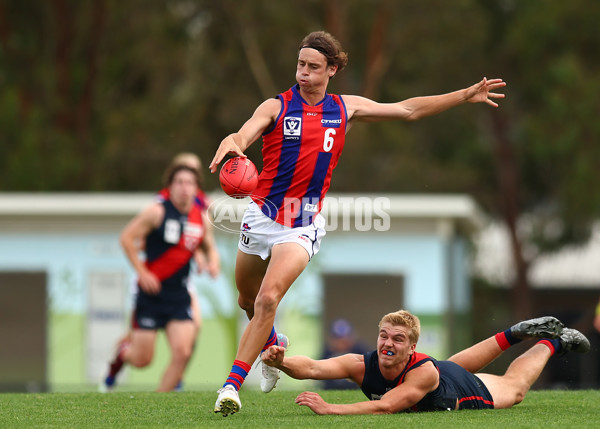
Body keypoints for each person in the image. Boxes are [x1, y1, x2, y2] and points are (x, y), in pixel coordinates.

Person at [208, 30, 507, 416]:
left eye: (314, 67)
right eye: (300, 65)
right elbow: (243, 133)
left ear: (332, 70)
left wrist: (464, 95)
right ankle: (271, 344)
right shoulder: (275, 107)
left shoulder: (345, 108)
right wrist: (231, 144)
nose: (304, 74)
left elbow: (407, 110)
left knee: (267, 299)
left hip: (301, 226)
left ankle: (231, 388)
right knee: (247, 300)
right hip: (261, 216)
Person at [261, 311, 590, 414]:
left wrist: (330, 407)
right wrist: (282, 360)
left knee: (515, 389)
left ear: (412, 346)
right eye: (384, 336)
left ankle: (555, 342)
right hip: (441, 369)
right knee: (448, 363)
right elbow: (315, 368)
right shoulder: (361, 363)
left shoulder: (423, 371)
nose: (388, 343)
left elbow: (386, 406)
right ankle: (513, 334)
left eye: (398, 339)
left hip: (455, 389)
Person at [101, 164, 215, 392]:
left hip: (179, 297)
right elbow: (126, 238)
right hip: (151, 296)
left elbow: (205, 245)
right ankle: (122, 355)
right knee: (143, 360)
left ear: (196, 189)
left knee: (183, 353)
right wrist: (142, 273)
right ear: (170, 187)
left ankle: (159, 400)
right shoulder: (157, 212)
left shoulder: (199, 218)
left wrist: (206, 259)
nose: (185, 188)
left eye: (190, 183)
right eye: (179, 182)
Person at [321, 319, 369, 390]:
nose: (342, 342)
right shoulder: (326, 354)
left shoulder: (362, 351)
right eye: (338, 339)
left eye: (346, 338)